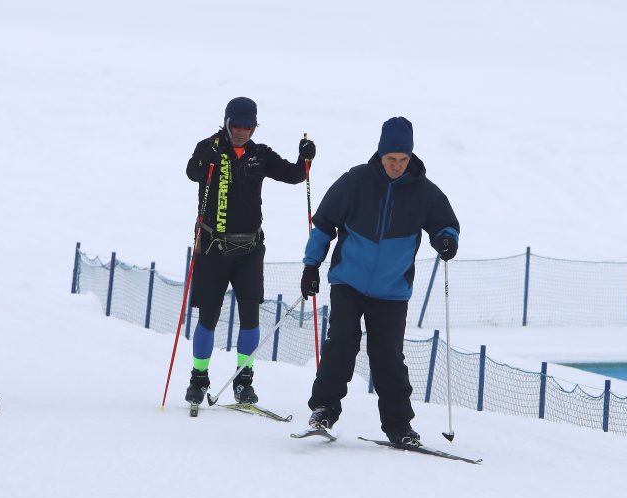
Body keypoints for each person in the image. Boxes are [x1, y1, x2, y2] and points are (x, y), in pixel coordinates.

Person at [300, 116, 459, 446]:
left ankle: (399, 426)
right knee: (342, 342)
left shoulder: (424, 193)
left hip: (392, 290)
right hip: (349, 281)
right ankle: (324, 409)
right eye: (391, 159)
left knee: (388, 356)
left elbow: (446, 223)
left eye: (403, 160)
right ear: (380, 154)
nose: (397, 166)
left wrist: (447, 240)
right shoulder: (356, 181)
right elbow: (325, 224)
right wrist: (311, 265)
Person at [184, 96, 316, 405]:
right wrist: (208, 157)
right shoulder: (210, 147)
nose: (242, 132)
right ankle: (198, 379)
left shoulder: (260, 154)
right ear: (227, 123)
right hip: (213, 247)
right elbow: (192, 172)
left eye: (248, 126)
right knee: (208, 317)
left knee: (250, 317)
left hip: (249, 249)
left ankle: (244, 381)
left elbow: (295, 176)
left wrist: (306, 160)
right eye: (237, 126)